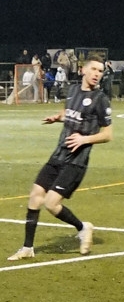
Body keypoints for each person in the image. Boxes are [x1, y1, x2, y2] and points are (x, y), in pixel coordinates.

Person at [8, 55, 113, 261]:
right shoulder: (73, 90)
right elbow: (68, 113)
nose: (97, 74)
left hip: (76, 161)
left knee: (51, 203)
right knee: (35, 195)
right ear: (83, 70)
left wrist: (84, 139)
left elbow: (108, 134)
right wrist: (58, 117)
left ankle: (82, 228)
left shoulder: (101, 99)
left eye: (100, 71)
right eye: (93, 69)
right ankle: (27, 248)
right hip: (58, 154)